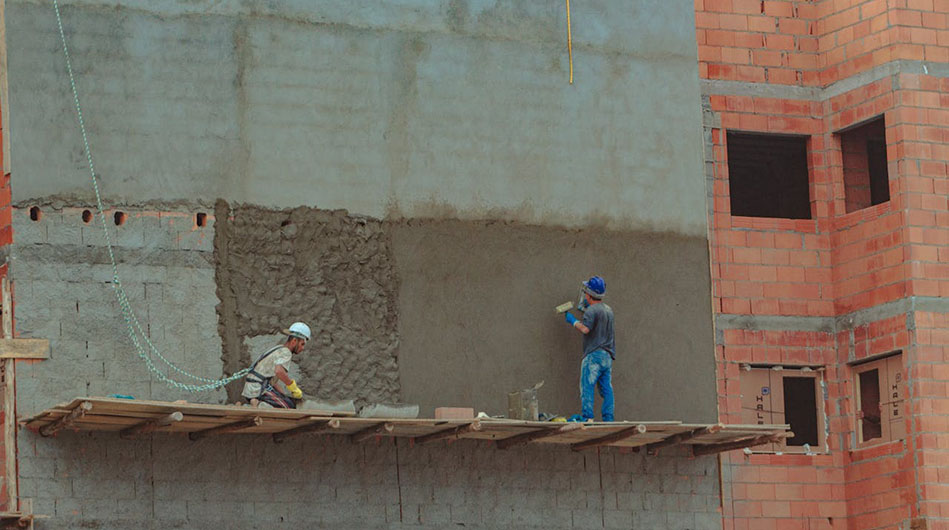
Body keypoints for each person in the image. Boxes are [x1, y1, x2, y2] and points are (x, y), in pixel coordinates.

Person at [563, 276, 615, 422]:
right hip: (607, 356)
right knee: (606, 388)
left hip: (593, 355)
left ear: (589, 294)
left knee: (587, 385)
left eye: (586, 291)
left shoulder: (591, 311)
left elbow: (586, 329)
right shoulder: (608, 310)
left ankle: (587, 417)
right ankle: (609, 419)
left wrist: (573, 321)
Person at [242, 322, 310, 409]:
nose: (302, 348)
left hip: (252, 388)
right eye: (302, 344)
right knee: (289, 407)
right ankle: (259, 405)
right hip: (259, 389)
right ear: (294, 341)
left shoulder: (279, 349)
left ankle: (252, 403)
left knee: (286, 401)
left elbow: (272, 380)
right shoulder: (286, 353)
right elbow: (279, 371)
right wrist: (293, 388)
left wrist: (282, 395)